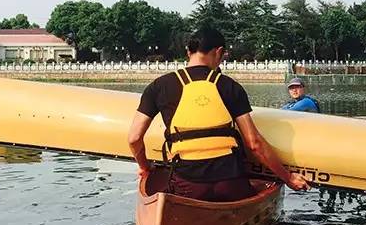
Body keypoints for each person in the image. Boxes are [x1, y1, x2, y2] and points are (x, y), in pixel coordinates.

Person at [127, 28, 310, 201]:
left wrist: (145, 168)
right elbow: (254, 144)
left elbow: (134, 138)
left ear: (188, 52)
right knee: (250, 189)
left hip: (188, 183)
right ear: (218, 51)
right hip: (230, 182)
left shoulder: (158, 87)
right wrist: (288, 178)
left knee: (173, 189)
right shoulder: (230, 87)